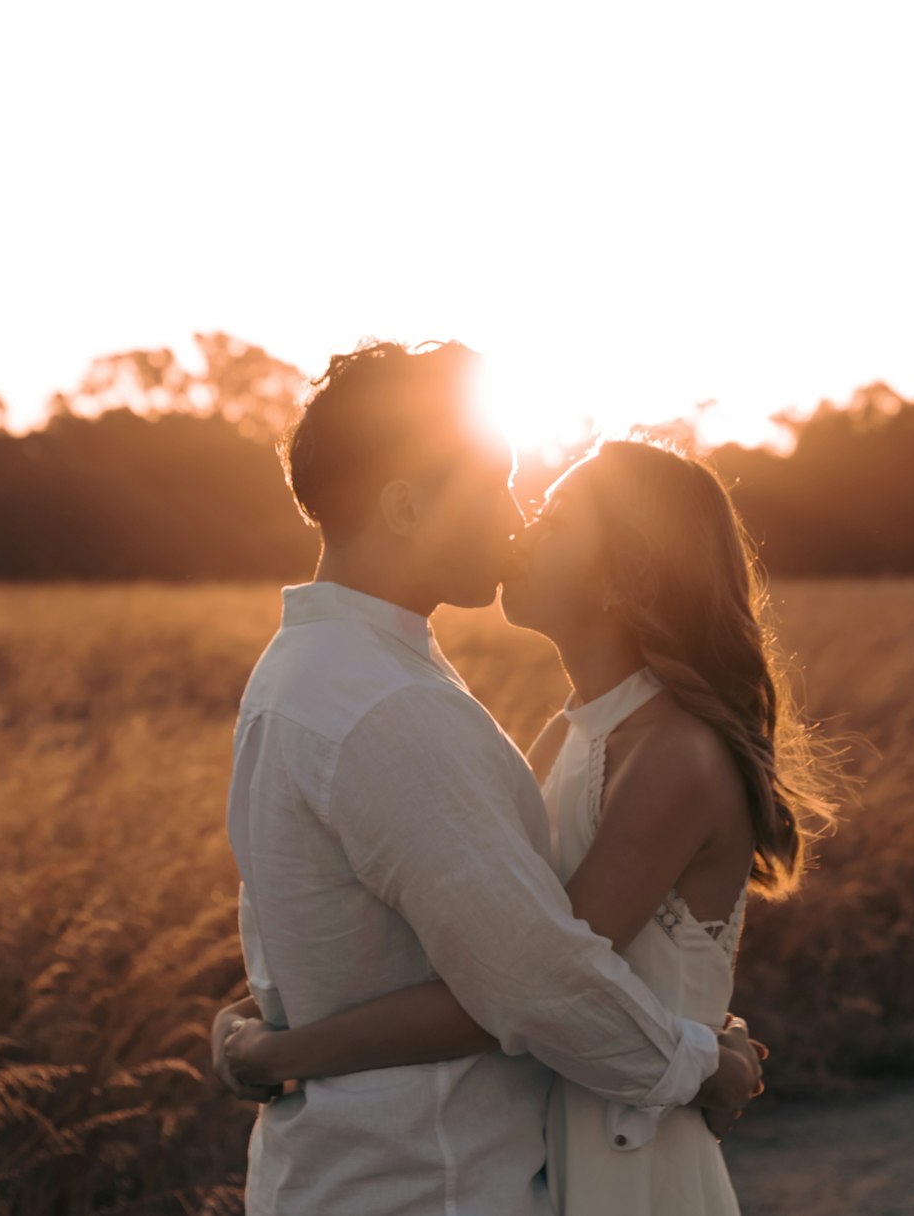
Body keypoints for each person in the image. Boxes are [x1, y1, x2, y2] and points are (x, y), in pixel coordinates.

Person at [212, 339, 764, 1216]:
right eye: (496, 484)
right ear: (403, 507)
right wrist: (702, 1060)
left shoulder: (310, 674)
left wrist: (264, 1035)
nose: (513, 518)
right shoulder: (387, 706)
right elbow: (527, 980)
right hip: (425, 1181)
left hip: (384, 1169)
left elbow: (372, 946)